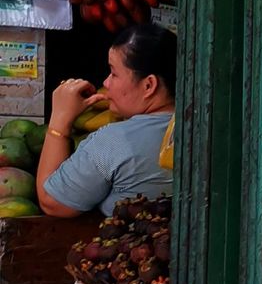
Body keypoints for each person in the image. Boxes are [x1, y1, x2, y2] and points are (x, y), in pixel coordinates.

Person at [37, 24, 176, 217]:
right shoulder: (202, 130)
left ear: (148, 85)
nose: (106, 83)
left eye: (114, 73)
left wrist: (59, 121)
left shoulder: (114, 141)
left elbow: (51, 202)